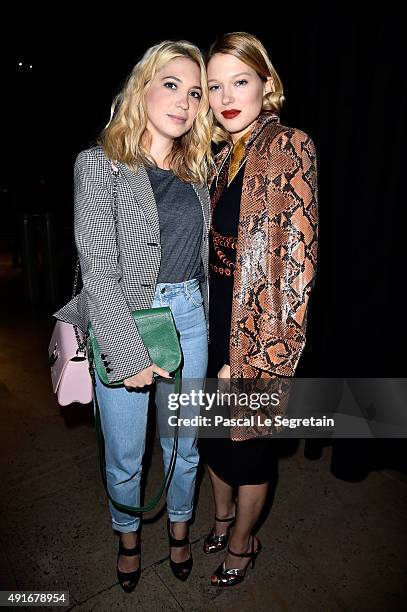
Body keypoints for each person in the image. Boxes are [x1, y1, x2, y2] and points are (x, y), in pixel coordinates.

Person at [54, 40, 212, 592]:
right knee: (126, 452)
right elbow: (98, 266)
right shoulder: (99, 165)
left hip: (190, 314)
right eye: (171, 84)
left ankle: (179, 531)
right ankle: (128, 538)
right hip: (128, 317)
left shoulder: (199, 171)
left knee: (183, 445)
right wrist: (126, 349)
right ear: (140, 89)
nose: (184, 101)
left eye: (195, 93)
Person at [199, 32, 318, 587]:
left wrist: (247, 364)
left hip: (256, 328)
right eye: (215, 84)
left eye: (239, 81)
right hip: (210, 318)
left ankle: (245, 543)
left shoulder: (289, 144)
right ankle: (222, 519)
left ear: (266, 84)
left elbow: (296, 269)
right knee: (212, 440)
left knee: (247, 451)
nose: (227, 95)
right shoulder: (223, 153)